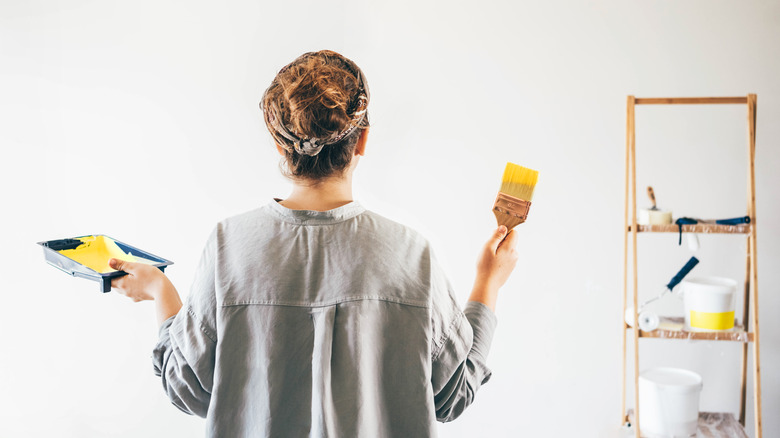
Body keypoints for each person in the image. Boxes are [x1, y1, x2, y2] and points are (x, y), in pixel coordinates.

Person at [111, 50, 519, 437]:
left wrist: (159, 289)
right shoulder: (412, 256)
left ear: (279, 145)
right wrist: (489, 282)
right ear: (361, 141)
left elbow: (190, 390)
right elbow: (453, 395)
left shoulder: (228, 248)